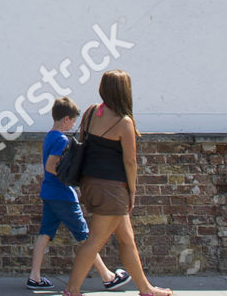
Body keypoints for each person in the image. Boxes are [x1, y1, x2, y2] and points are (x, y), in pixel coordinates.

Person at [63, 70, 172, 296]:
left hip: (90, 184)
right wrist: (132, 192)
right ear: (125, 91)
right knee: (94, 241)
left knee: (127, 239)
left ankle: (146, 289)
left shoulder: (91, 112)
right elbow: (130, 162)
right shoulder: (124, 123)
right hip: (112, 188)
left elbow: (83, 144)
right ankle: (72, 290)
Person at [27, 97, 130, 291]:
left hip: (49, 192)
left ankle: (35, 277)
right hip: (62, 195)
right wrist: (71, 176)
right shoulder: (60, 139)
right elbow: (51, 166)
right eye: (73, 120)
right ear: (66, 119)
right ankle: (108, 277)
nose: (74, 124)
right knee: (86, 236)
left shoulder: (49, 136)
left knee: (45, 233)